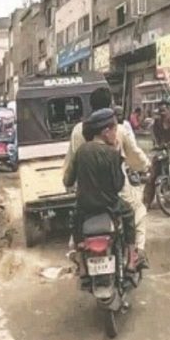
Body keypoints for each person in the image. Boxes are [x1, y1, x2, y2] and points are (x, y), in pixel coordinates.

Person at [63, 88, 150, 258]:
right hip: (113, 195)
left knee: (76, 216)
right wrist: (145, 165)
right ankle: (135, 252)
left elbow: (69, 168)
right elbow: (134, 157)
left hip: (86, 194)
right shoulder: (118, 132)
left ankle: (76, 249)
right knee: (138, 211)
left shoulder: (77, 131)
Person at [62, 108, 138, 296]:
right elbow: (119, 185)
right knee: (129, 214)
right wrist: (118, 158)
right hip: (109, 206)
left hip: (86, 207)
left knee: (75, 223)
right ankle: (131, 259)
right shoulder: (111, 153)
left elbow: (68, 181)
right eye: (114, 130)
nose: (115, 134)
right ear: (105, 132)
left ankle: (82, 264)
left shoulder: (81, 152)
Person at [142, 100, 170, 208]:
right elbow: (155, 137)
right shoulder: (156, 123)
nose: (162, 113)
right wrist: (158, 144)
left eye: (164, 110)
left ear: (168, 109)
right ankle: (146, 201)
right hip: (163, 150)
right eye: (160, 111)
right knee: (153, 172)